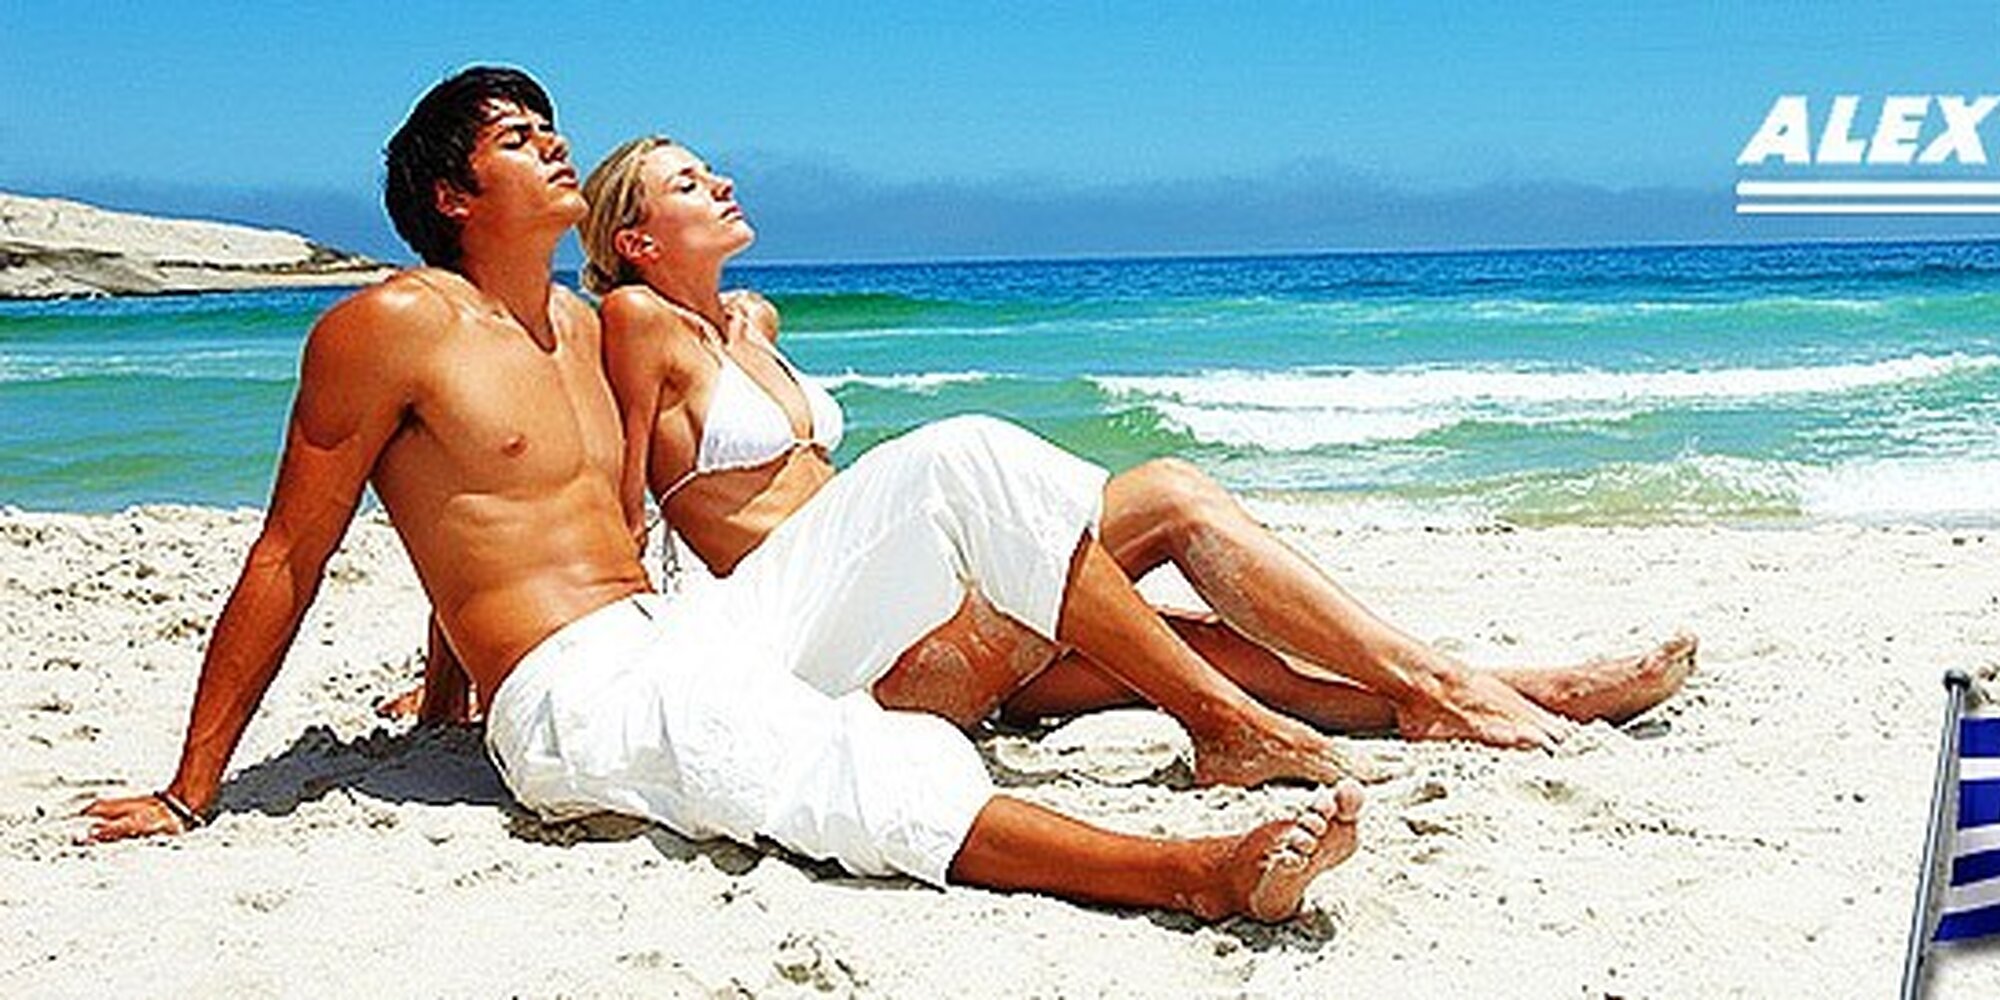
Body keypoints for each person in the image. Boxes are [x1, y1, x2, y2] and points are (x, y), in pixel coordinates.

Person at [79, 66, 1363, 923]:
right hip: (571, 695)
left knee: (959, 453)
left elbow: (542, 515)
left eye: (553, 129)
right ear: (453, 195)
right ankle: (1184, 875)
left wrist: (437, 683)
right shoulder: (389, 325)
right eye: (519, 142)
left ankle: (1221, 724)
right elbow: (289, 555)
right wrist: (195, 787)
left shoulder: (592, 327)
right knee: (810, 759)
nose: (555, 146)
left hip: (678, 630)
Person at [560, 134, 1694, 748]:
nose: (722, 184)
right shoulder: (634, 320)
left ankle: (1506, 690)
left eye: (710, 172)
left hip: (922, 617)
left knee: (1173, 629)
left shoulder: (754, 323)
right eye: (687, 183)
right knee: (1168, 495)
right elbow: (607, 501)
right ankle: (1451, 684)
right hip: (845, 651)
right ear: (633, 235)